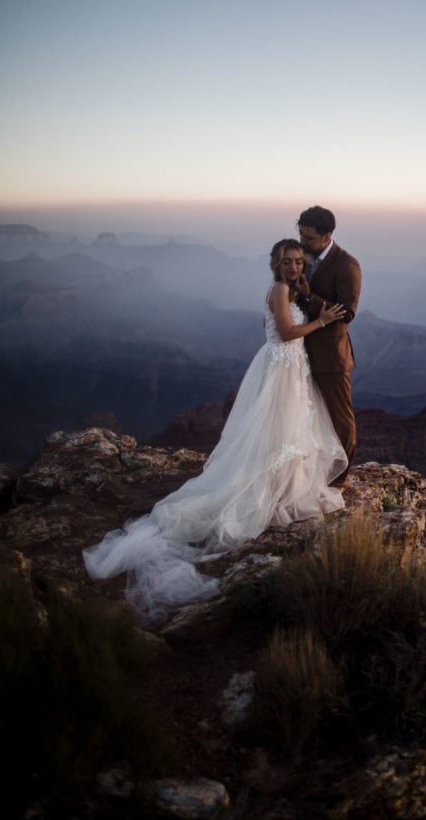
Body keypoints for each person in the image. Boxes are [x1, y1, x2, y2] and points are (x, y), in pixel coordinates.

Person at [83, 239, 347, 622]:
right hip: (280, 368)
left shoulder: (294, 288)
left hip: (291, 369)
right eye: (286, 261)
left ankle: (282, 487)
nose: (292, 266)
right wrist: (323, 322)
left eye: (297, 261)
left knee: (287, 432)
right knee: (276, 430)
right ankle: (264, 490)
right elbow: (288, 332)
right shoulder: (278, 289)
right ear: (276, 264)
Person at [295, 206, 361, 485]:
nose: (302, 242)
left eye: (308, 238)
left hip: (330, 356)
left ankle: (339, 479)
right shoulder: (301, 259)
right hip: (299, 350)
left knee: (339, 418)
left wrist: (311, 299)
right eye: (301, 235)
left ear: (327, 236)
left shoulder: (347, 264)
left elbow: (347, 313)